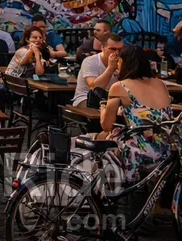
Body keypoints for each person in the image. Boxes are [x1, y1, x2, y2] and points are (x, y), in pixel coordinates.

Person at [100, 46, 175, 183]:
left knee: (104, 139)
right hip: (169, 147)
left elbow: (106, 125)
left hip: (142, 150)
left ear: (123, 62)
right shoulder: (160, 83)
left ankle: (109, 192)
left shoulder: (120, 87)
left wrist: (103, 108)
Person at [74, 31, 124, 107]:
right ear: (102, 48)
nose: (117, 53)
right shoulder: (90, 61)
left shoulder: (123, 62)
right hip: (86, 98)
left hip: (111, 99)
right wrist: (110, 68)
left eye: (120, 50)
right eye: (113, 49)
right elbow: (95, 88)